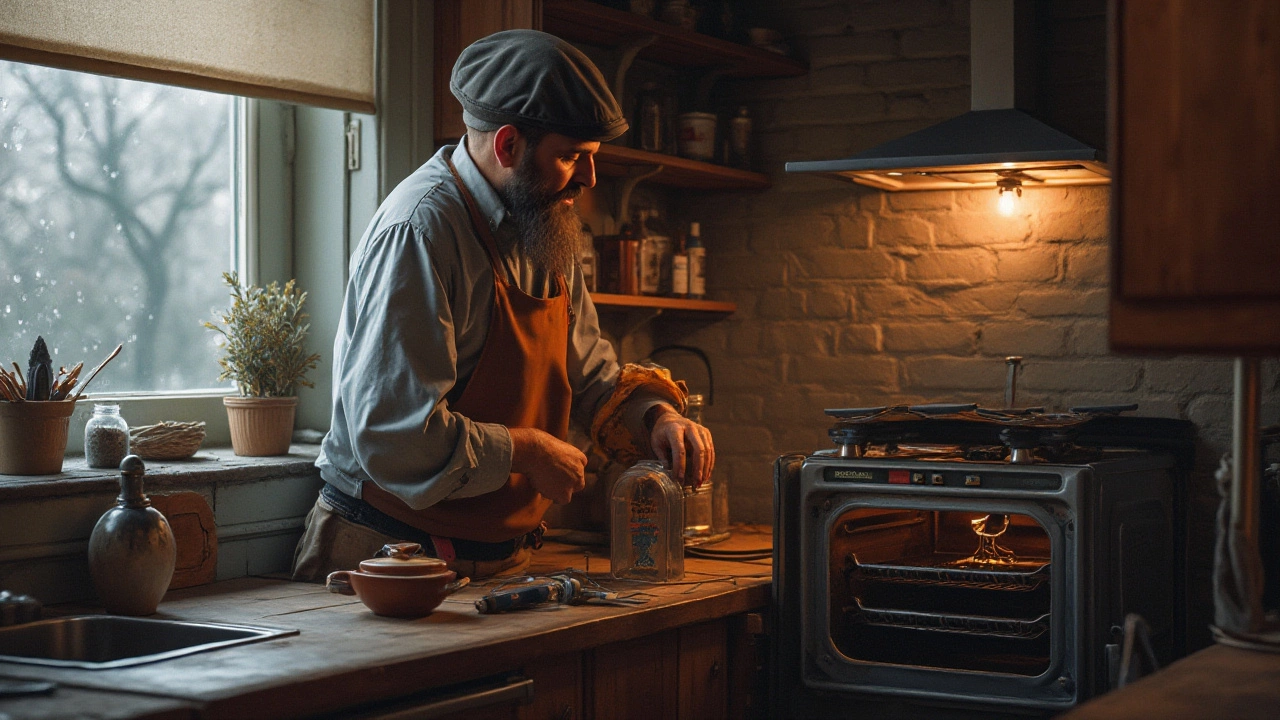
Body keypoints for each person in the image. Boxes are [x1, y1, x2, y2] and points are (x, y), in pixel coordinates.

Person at [292, 29, 714, 581]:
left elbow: (591, 378)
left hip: (502, 560)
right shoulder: (419, 231)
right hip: (385, 558)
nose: (587, 178)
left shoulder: (547, 227)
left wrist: (657, 416)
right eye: (571, 157)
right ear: (508, 144)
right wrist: (528, 451)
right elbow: (394, 436)